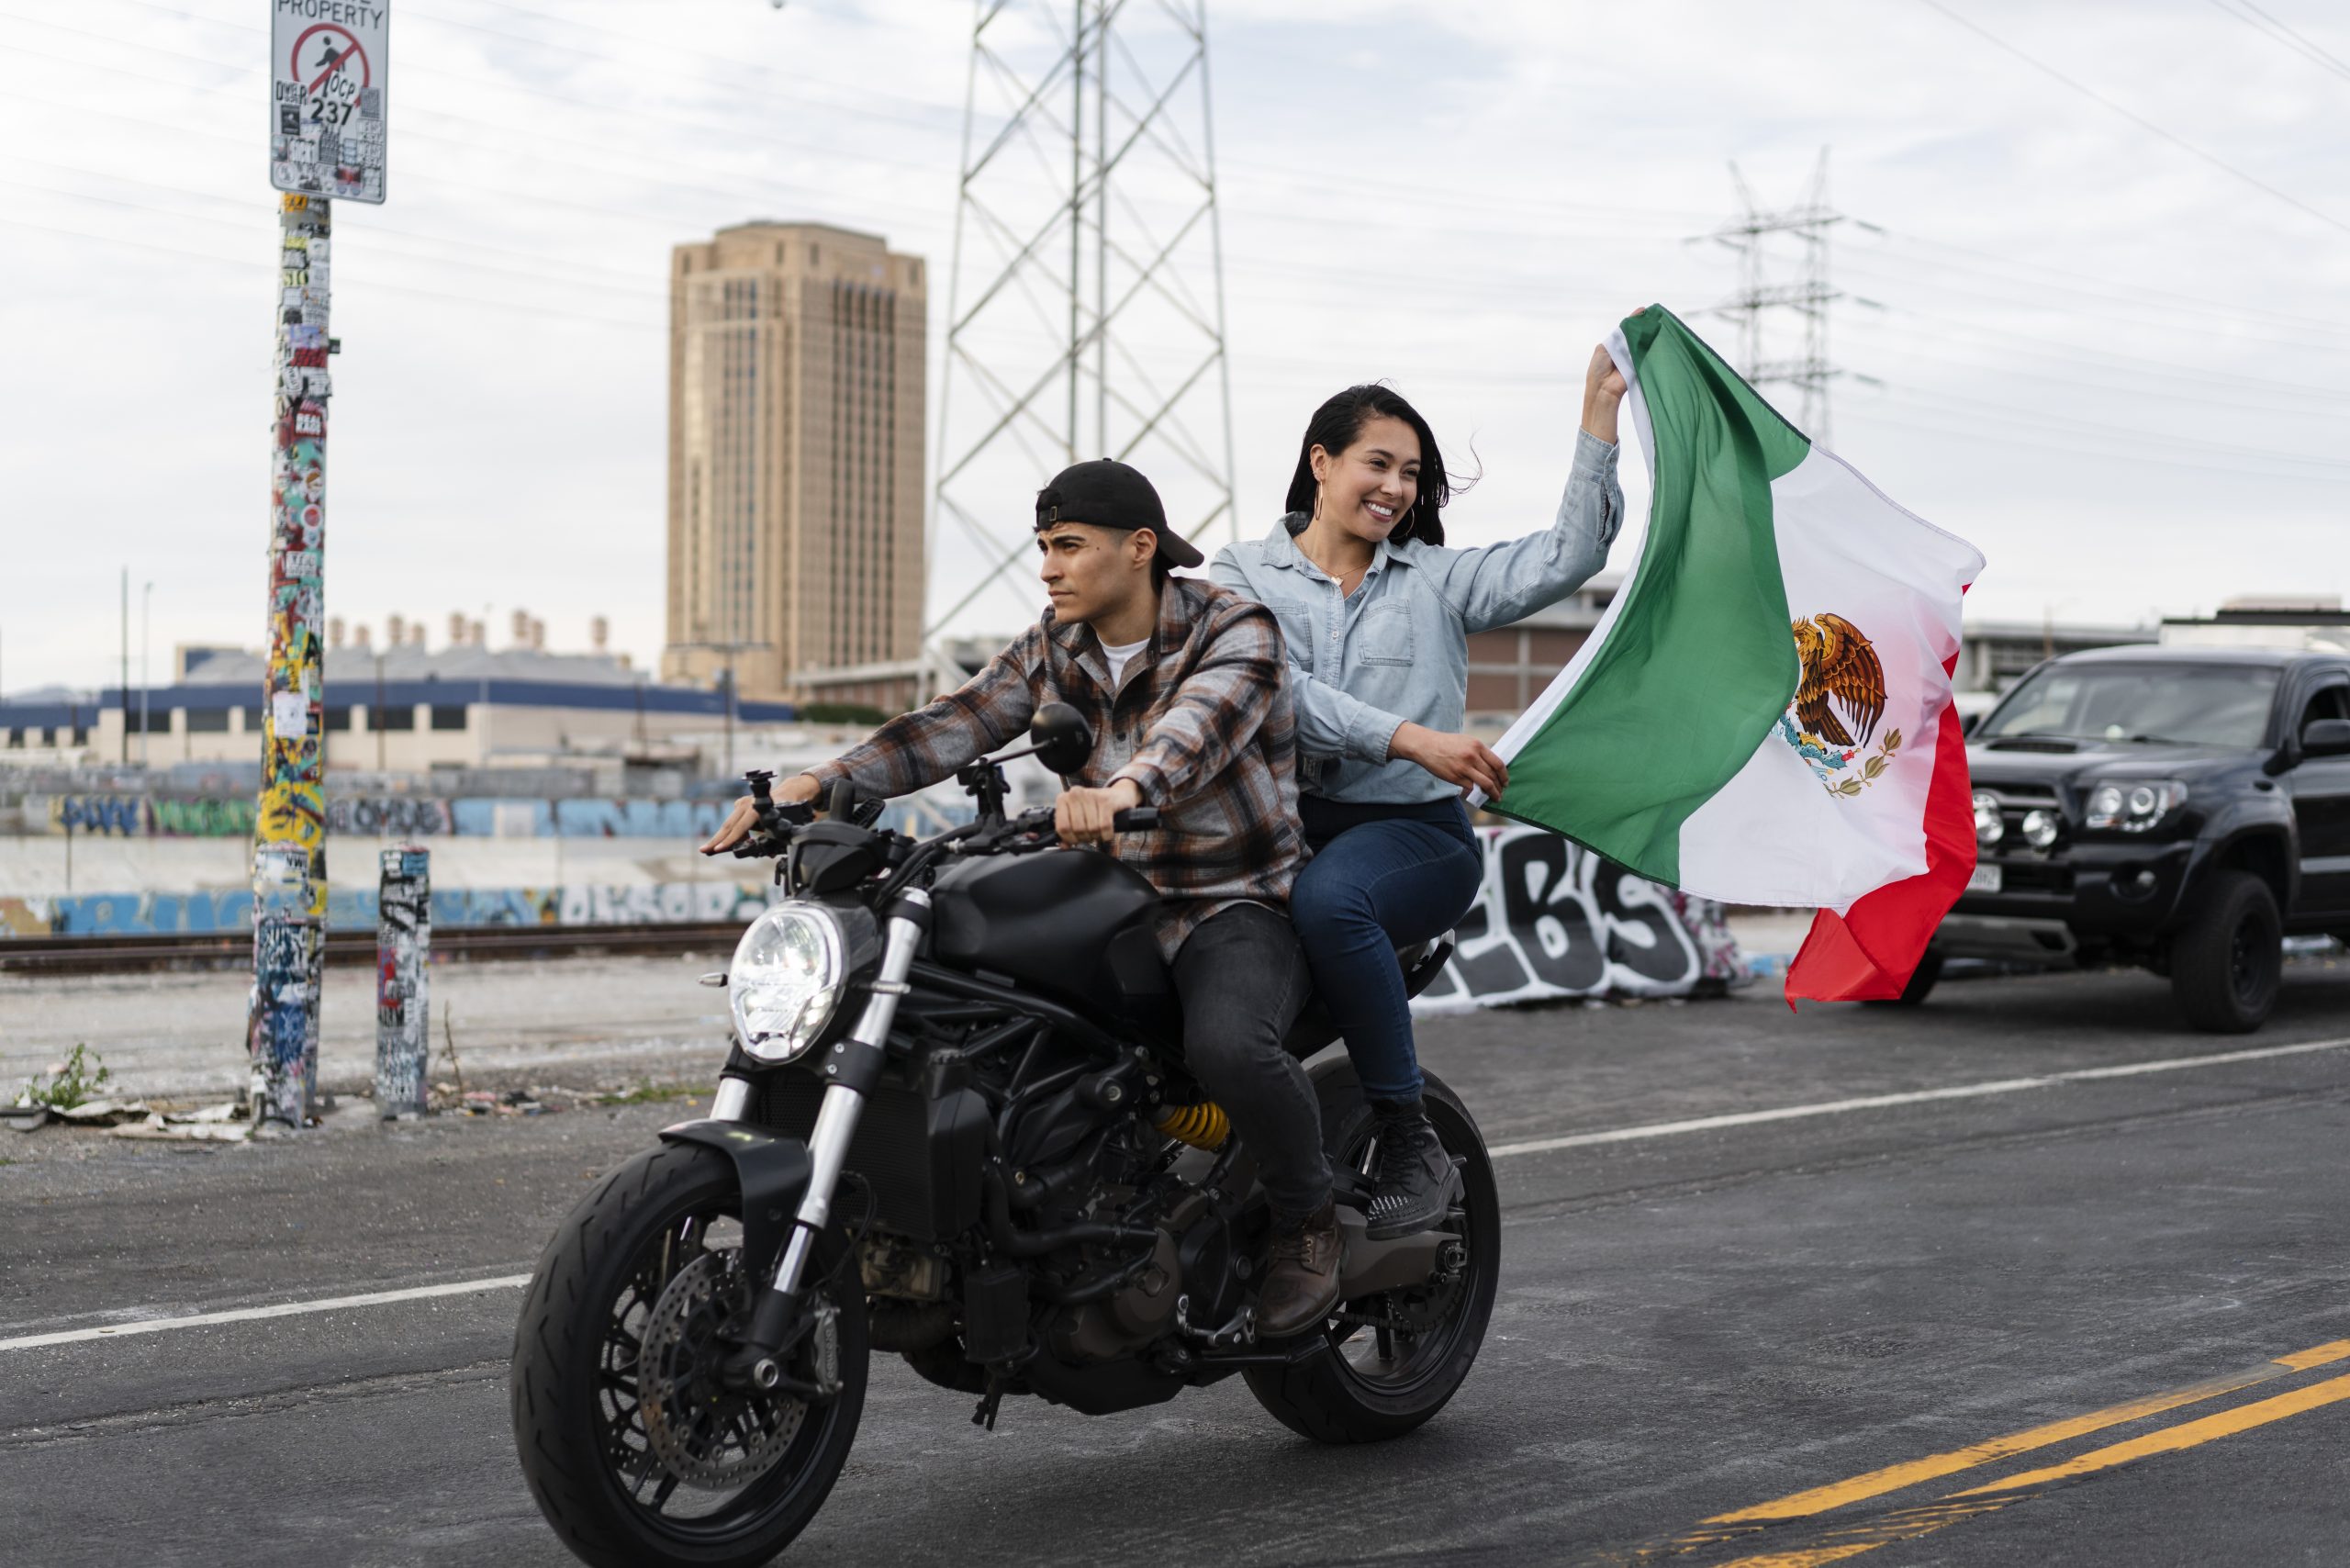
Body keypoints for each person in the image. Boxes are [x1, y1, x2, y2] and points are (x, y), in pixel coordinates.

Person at [698, 459, 1347, 1338]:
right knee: (963, 998)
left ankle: (1306, 1224)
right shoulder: (1053, 646)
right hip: (1105, 893)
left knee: (1229, 1042)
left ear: (1141, 549)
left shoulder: (1235, 628)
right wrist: (817, 784)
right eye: (1044, 547)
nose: (1048, 566)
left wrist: (1120, 790)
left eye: (1070, 546)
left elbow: (1196, 728)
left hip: (1223, 899)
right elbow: (952, 723)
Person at [1210, 343, 1628, 1238]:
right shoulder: (1237, 574)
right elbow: (1259, 685)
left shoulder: (1436, 579)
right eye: (1379, 464)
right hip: (1274, 837)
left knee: (1332, 898)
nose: (1397, 487)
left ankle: (1409, 1139)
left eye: (1412, 473)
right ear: (1320, 463)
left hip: (1412, 835)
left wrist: (1597, 418)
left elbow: (1570, 552)